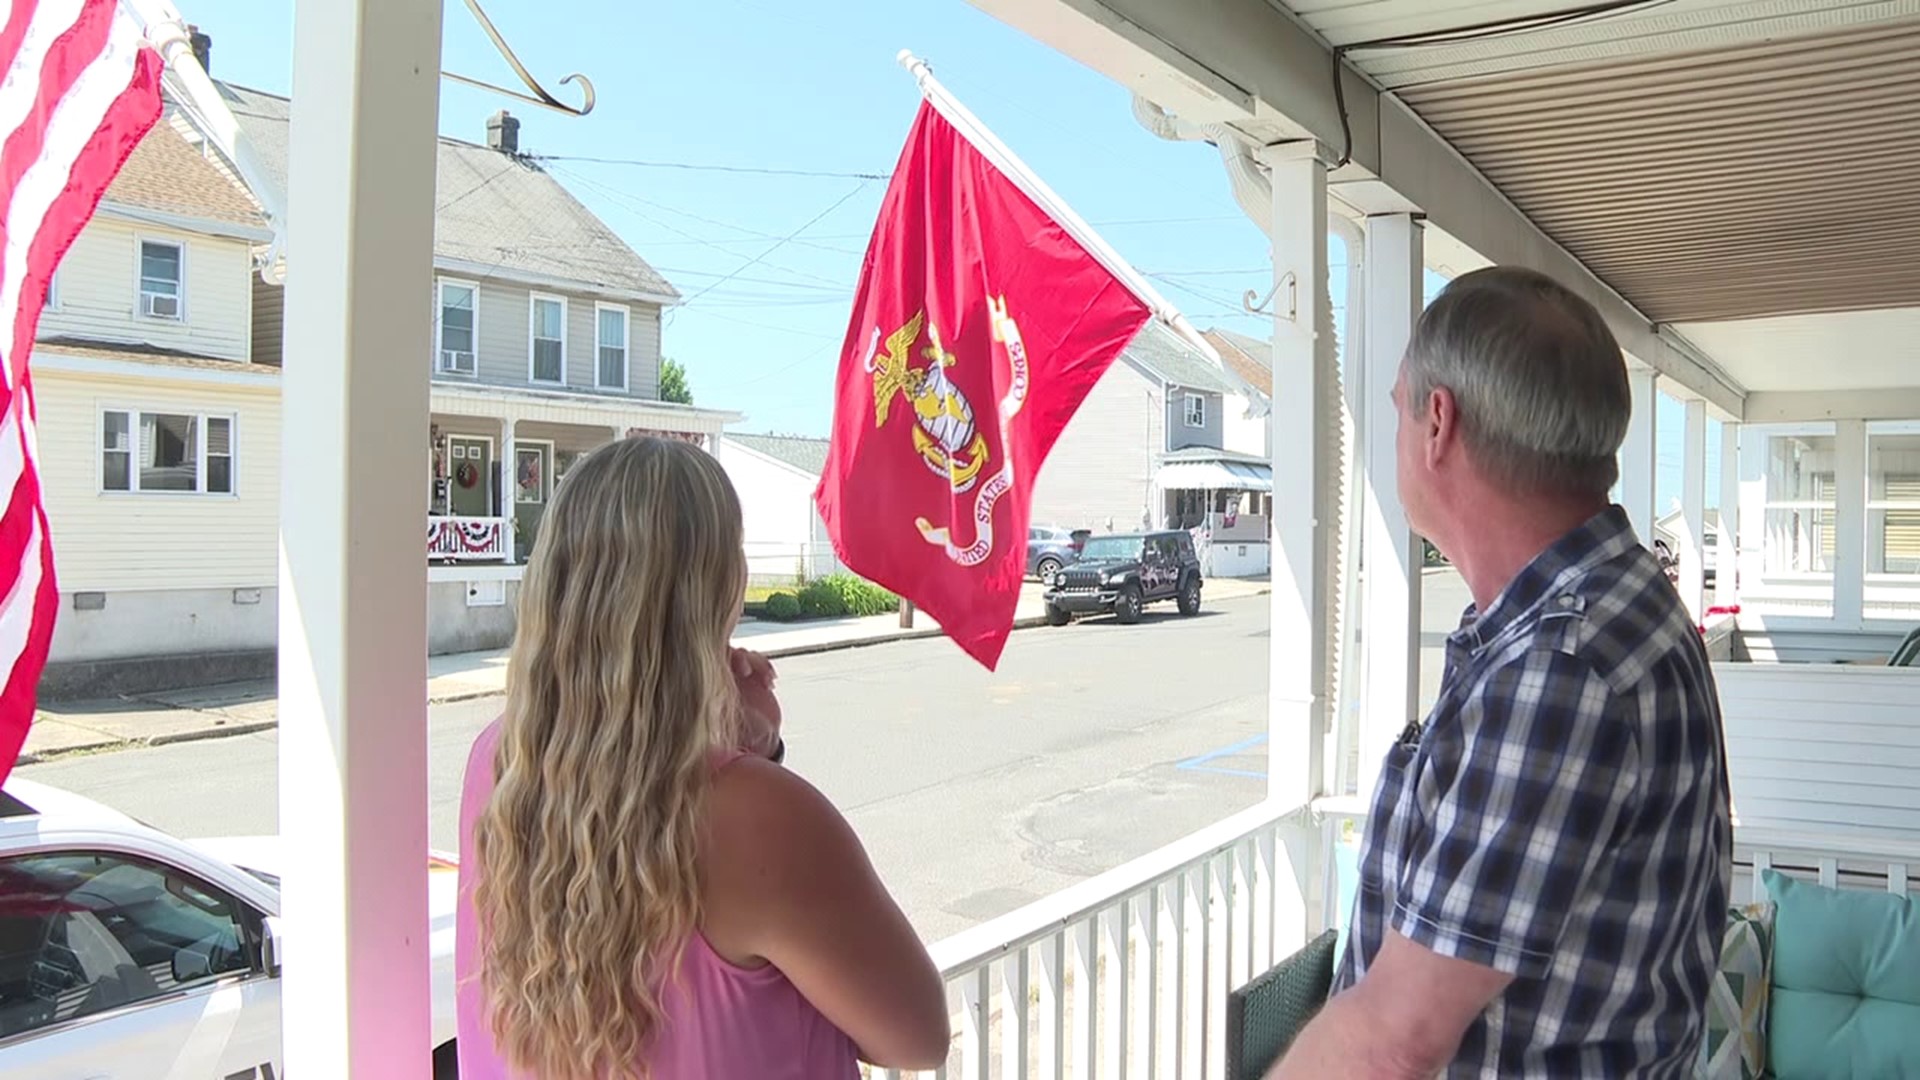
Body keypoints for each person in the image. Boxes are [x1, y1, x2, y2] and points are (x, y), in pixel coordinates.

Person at [1273, 267, 1731, 1078]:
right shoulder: (1601, 606)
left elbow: (1397, 1038)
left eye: (1398, 408)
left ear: (1438, 424)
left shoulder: (1560, 665)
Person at [455, 436, 950, 1080]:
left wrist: (743, 752)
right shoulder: (763, 815)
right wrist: (762, 764)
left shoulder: (497, 759)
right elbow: (916, 1039)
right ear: (718, 590)